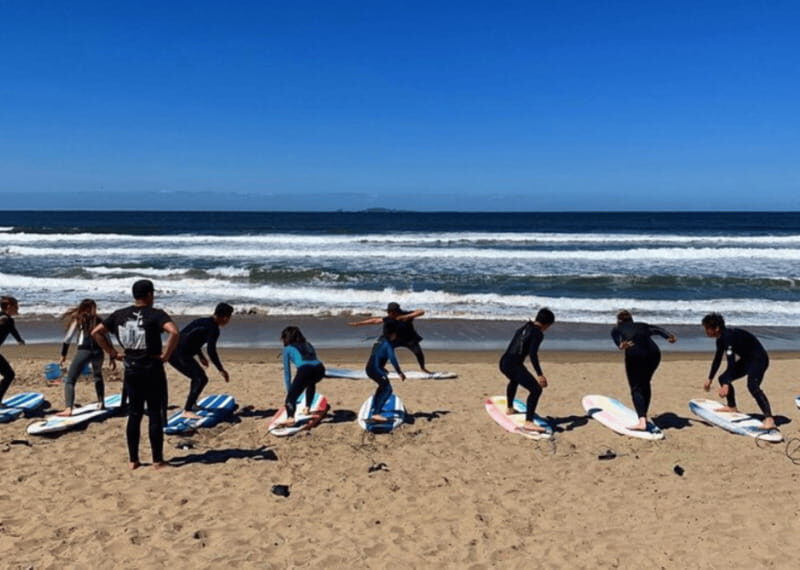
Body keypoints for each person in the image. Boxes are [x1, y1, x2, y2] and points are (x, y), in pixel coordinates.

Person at [92, 280, 179, 470]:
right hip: (152, 368)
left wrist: (112, 352)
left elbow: (96, 332)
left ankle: (134, 460)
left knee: (135, 413)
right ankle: (157, 459)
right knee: (154, 413)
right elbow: (174, 332)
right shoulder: (156, 314)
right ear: (149, 295)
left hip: (131, 367)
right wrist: (166, 355)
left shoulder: (120, 314)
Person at [702, 312, 776, 430]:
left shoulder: (728, 337)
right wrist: (710, 378)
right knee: (722, 378)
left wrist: (726, 384)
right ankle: (732, 407)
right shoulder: (720, 339)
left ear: (716, 328)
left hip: (759, 359)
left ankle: (769, 419)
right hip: (747, 360)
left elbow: (731, 361)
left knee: (752, 385)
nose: (705, 331)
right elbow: (717, 359)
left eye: (707, 328)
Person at [610, 310, 677, 431]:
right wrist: (669, 336)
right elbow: (657, 329)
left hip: (635, 354)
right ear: (631, 320)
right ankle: (643, 417)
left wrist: (620, 345)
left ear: (619, 320)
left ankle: (642, 421)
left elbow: (618, 342)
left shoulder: (616, 328)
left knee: (636, 387)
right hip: (654, 353)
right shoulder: (642, 325)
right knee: (645, 383)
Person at [168, 303, 233, 420]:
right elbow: (211, 351)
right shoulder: (213, 329)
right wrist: (221, 369)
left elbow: (191, 338)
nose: (228, 321)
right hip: (178, 355)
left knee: (199, 377)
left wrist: (200, 356)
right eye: (229, 318)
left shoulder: (202, 321)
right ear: (225, 318)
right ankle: (187, 410)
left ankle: (191, 405)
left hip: (175, 352)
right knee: (200, 378)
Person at [499, 308, 555, 434]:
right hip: (513, 364)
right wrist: (540, 374)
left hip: (504, 361)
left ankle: (510, 408)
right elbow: (533, 354)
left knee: (514, 380)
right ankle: (529, 422)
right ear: (547, 324)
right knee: (536, 389)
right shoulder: (538, 333)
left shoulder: (524, 327)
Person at [56, 299, 113, 417]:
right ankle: (101, 402)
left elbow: (68, 338)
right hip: (98, 352)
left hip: (84, 351)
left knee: (70, 380)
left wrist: (63, 354)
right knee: (97, 376)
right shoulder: (100, 320)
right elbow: (107, 338)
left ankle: (68, 409)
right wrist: (112, 356)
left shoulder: (79, 319)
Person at [349, 302, 431, 373]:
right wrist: (358, 323)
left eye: (390, 312)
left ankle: (423, 368)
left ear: (396, 311)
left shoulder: (406, 314)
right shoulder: (388, 318)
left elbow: (421, 312)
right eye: (388, 312)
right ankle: (381, 367)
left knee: (418, 353)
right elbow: (375, 321)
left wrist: (406, 317)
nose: (388, 313)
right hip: (394, 339)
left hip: (409, 339)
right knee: (384, 350)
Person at [275, 326, 326, 427]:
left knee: (290, 398)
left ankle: (290, 418)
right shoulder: (308, 345)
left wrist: (290, 392)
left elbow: (287, 372)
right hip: (320, 369)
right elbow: (313, 359)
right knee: (311, 383)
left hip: (305, 370)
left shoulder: (287, 349)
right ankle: (307, 408)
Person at [365, 321, 406, 423]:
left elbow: (376, 355)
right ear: (392, 334)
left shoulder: (379, 339)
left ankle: (375, 407)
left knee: (382, 386)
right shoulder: (388, 344)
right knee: (388, 389)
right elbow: (392, 359)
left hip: (370, 368)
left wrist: (381, 368)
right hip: (375, 369)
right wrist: (400, 372)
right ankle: (376, 414)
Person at [0, 296, 25, 404]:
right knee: (9, 375)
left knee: (8, 375)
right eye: (16, 306)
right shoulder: (5, 319)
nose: (18, 308)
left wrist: (19, 340)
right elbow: (6, 324)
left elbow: (12, 330)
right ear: (9, 307)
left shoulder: (8, 320)